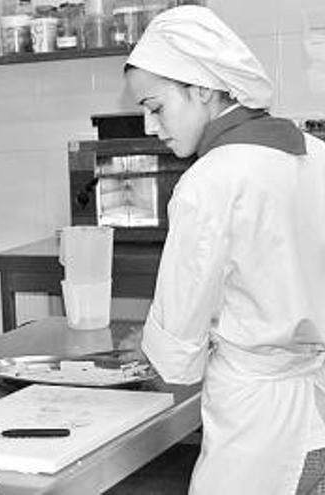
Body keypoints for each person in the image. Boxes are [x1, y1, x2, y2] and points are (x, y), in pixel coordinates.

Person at [124, 6, 325, 494]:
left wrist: (155, 351)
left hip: (255, 422)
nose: (153, 127)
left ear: (202, 89)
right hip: (313, 402)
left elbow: (177, 345)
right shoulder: (315, 154)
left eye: (156, 107)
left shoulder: (210, 180)